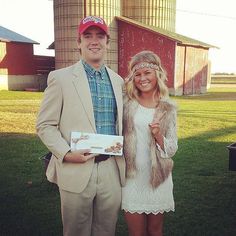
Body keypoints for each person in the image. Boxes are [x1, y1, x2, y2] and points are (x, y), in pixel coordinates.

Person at [36, 16, 125, 236]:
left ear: (107, 42)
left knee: (107, 230)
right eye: (88, 36)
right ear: (79, 42)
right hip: (76, 169)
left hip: (111, 169)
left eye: (100, 36)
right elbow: (45, 125)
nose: (94, 41)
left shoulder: (118, 81)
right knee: (76, 231)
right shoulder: (60, 78)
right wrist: (66, 153)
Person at [122, 51, 178, 236]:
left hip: (158, 178)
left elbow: (172, 149)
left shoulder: (168, 108)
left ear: (157, 74)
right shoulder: (126, 103)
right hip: (132, 178)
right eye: (137, 74)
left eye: (147, 73)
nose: (142, 78)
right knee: (136, 232)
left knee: (155, 230)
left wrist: (158, 136)